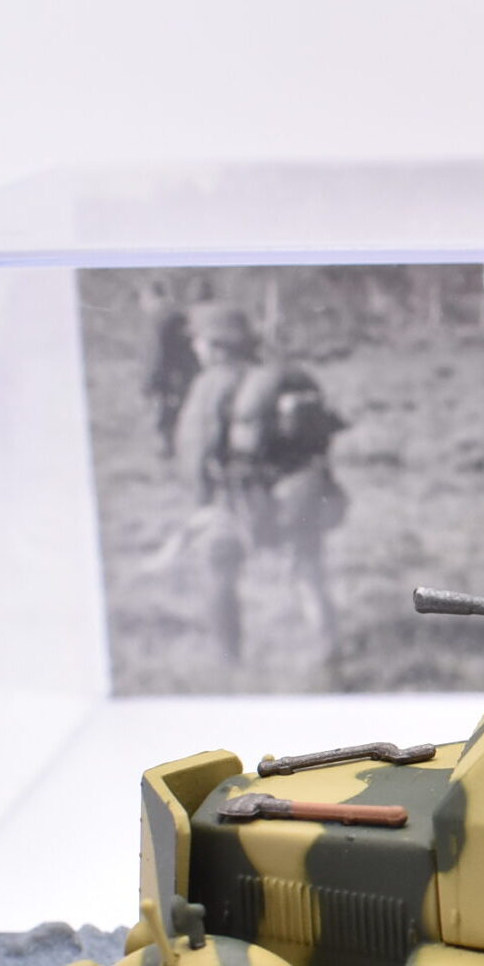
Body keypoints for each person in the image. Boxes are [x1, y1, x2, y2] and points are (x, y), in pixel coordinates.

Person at [174, 302, 350, 672]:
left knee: (219, 572)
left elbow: (196, 451)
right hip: (298, 491)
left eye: (199, 340)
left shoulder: (211, 384)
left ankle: (227, 662)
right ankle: (328, 648)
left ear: (216, 345)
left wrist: (200, 503)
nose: (194, 347)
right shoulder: (283, 376)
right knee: (308, 571)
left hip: (236, 498)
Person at [137, 280, 200, 459]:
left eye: (142, 299)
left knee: (163, 425)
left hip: (164, 382)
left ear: (149, 297)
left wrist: (147, 385)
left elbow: (154, 354)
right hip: (184, 378)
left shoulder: (157, 319)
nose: (142, 305)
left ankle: (168, 461)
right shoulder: (179, 315)